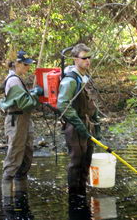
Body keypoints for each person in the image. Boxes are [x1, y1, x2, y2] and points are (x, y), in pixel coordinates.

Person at [0, 50, 43, 206]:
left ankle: (21, 197)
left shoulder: (17, 79)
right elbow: (25, 103)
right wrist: (36, 94)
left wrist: (32, 93)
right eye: (25, 65)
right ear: (16, 64)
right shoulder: (13, 81)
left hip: (24, 121)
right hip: (16, 121)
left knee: (26, 156)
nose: (27, 68)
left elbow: (22, 99)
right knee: (14, 156)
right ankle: (8, 203)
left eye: (28, 65)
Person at [57, 43, 100, 198]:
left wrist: (97, 124)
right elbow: (62, 104)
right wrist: (78, 124)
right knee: (77, 161)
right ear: (76, 59)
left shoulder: (87, 77)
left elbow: (92, 103)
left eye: (89, 57)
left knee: (87, 159)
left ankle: (82, 191)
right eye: (84, 58)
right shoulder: (70, 81)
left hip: (88, 124)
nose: (87, 61)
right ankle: (74, 195)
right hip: (74, 126)